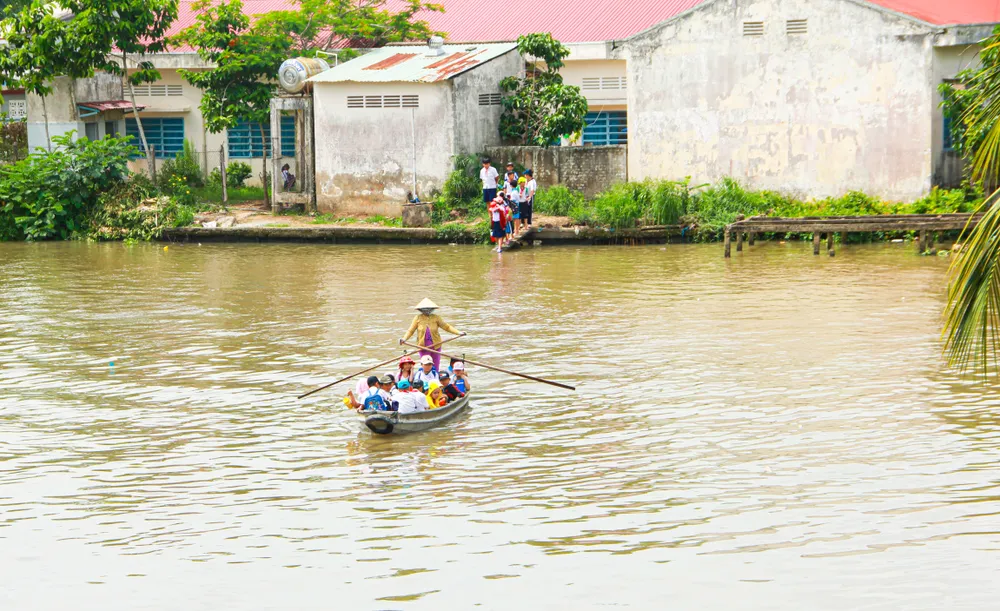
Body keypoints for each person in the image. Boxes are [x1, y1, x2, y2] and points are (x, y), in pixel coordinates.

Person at [402, 299, 462, 371]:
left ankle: (435, 378)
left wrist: (458, 332)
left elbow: (447, 327)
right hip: (423, 347)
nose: (427, 310)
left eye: (429, 309)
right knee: (426, 366)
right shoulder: (417, 318)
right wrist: (404, 339)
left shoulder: (436, 317)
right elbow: (410, 331)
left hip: (436, 346)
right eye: (425, 309)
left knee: (435, 366)